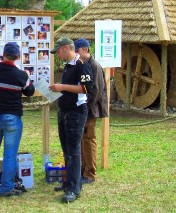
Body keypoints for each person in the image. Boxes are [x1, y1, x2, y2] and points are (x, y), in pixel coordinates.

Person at [0, 42, 35, 197]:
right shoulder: (21, 75)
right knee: (10, 154)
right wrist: (27, 77)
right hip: (12, 117)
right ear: (17, 57)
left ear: (3, 54)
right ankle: (6, 188)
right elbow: (30, 91)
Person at [49, 37, 95, 203]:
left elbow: (87, 88)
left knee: (74, 151)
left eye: (58, 51)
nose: (58, 55)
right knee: (67, 150)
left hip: (76, 112)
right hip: (65, 112)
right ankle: (68, 183)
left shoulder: (81, 65)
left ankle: (74, 189)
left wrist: (62, 87)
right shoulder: (68, 67)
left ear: (67, 48)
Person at [75, 38, 108, 184]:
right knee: (82, 140)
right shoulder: (82, 64)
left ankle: (90, 173)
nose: (76, 53)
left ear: (85, 50)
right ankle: (84, 170)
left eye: (78, 51)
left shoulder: (95, 66)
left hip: (90, 110)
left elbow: (96, 91)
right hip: (83, 108)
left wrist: (85, 108)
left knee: (88, 140)